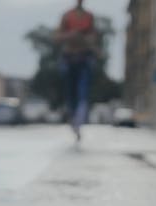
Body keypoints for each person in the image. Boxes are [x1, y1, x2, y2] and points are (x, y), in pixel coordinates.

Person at [55, 0, 98, 141]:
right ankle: (73, 118)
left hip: (84, 58)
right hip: (69, 58)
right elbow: (57, 37)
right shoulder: (67, 16)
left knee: (83, 91)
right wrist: (71, 35)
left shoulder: (89, 16)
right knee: (71, 92)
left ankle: (78, 120)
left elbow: (93, 37)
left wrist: (85, 39)